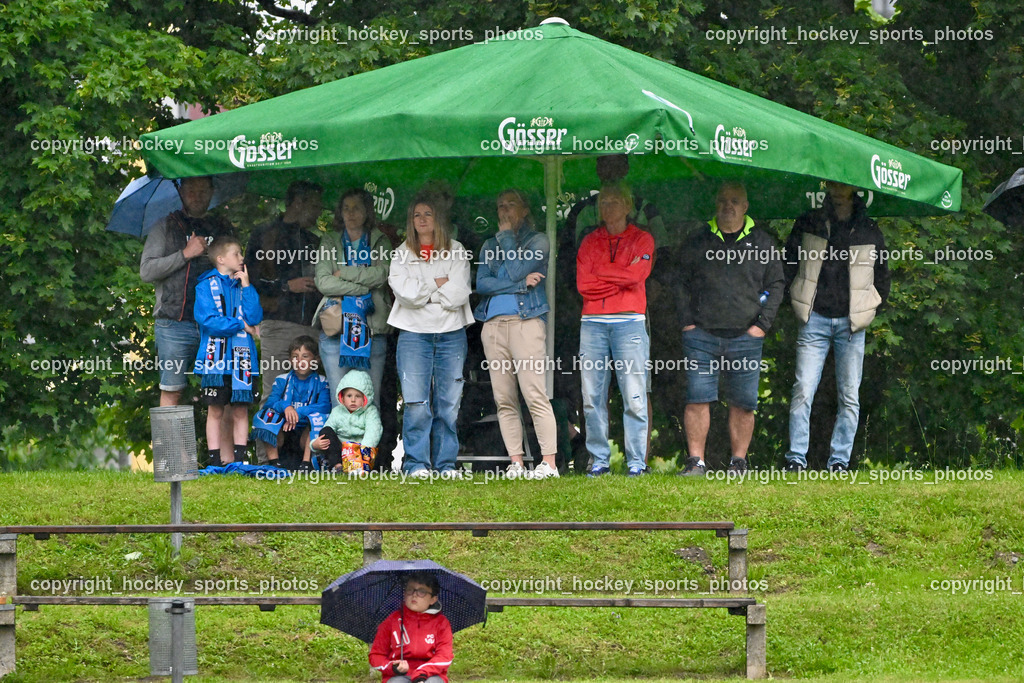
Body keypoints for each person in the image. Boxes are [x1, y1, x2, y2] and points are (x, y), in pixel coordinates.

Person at [676, 181, 784, 476]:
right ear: (716, 204)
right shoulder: (698, 241)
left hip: (746, 336)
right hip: (701, 336)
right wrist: (687, 322)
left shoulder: (763, 243)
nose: (728, 206)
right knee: (697, 399)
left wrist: (762, 326)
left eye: (735, 201)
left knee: (744, 403)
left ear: (745, 206)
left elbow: (776, 285)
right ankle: (696, 462)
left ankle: (739, 462)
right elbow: (679, 282)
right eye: (723, 200)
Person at [783, 181, 890, 472]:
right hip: (814, 317)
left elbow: (882, 278)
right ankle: (795, 458)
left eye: (843, 192)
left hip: (852, 323)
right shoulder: (809, 222)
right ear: (828, 192)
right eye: (834, 191)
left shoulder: (870, 229)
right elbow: (788, 263)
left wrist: (869, 309)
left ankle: (839, 461)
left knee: (850, 395)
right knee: (803, 389)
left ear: (853, 193)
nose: (838, 196)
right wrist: (796, 297)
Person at [388, 191, 474, 479]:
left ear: (438, 218)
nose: (422, 219)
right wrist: (437, 284)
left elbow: (459, 294)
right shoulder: (401, 253)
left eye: (428, 214)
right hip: (413, 335)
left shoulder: (457, 250)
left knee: (448, 404)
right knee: (416, 403)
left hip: (451, 333)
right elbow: (406, 295)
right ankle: (416, 464)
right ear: (410, 221)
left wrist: (423, 288)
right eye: (417, 215)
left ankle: (446, 464)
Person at [474, 189, 559, 480]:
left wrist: (509, 240)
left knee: (534, 393)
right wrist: (521, 285)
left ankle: (549, 463)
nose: (504, 210)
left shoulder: (539, 241)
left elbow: (514, 268)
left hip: (526, 322)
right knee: (504, 398)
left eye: (511, 204)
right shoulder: (488, 244)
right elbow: (482, 284)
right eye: (500, 205)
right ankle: (517, 463)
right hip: (493, 325)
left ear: (525, 209)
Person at [576, 182, 654, 477]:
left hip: (629, 321)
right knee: (592, 396)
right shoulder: (589, 241)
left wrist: (602, 272)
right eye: (603, 202)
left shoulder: (643, 239)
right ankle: (599, 460)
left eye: (613, 201)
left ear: (627, 206)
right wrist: (622, 275)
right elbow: (584, 285)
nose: (607, 206)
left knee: (634, 394)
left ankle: (636, 462)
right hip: (593, 322)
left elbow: (639, 275)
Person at [140, 176, 234, 407]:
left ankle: (223, 446)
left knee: (221, 395)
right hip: (174, 323)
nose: (197, 195)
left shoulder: (223, 228)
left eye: (203, 190)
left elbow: (237, 270)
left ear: (212, 192)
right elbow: (147, 271)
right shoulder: (165, 225)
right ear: (181, 191)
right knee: (172, 391)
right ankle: (169, 445)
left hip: (216, 324)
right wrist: (185, 254)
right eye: (191, 189)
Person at [314, 189, 392, 409]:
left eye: (356, 207)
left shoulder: (379, 239)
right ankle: (344, 446)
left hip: (372, 328)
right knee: (339, 404)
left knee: (369, 403)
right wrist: (361, 286)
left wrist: (345, 272)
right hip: (335, 329)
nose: (350, 213)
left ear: (367, 211)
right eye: (346, 208)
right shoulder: (330, 239)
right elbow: (324, 282)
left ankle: (366, 446)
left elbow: (382, 275)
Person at [246, 181, 323, 398]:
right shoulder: (264, 233)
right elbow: (249, 281)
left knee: (311, 398)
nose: (319, 212)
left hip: (312, 327)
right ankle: (268, 433)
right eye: (315, 206)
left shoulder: (315, 241)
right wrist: (287, 286)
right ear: (298, 203)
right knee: (273, 396)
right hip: (277, 324)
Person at [193, 236, 263, 466]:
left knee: (240, 410)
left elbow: (255, 317)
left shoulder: (243, 285)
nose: (242, 258)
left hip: (242, 360)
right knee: (215, 410)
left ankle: (240, 460)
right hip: (216, 360)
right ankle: (214, 460)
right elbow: (208, 320)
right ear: (221, 259)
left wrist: (247, 286)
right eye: (237, 253)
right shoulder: (205, 286)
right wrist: (240, 325)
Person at [250, 335, 331, 469]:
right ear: (290, 360)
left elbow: (325, 406)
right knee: (265, 415)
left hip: (306, 435)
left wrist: (298, 412)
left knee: (319, 419)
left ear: (316, 359)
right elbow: (270, 403)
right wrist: (286, 407)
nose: (300, 361)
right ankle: (274, 463)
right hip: (285, 431)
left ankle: (306, 464)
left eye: (305, 356)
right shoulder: (282, 379)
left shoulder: (322, 381)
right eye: (295, 357)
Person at [369, 572, 452, 683]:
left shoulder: (442, 623)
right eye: (410, 589)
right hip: (399, 676)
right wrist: (393, 667)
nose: (414, 595)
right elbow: (376, 655)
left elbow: (444, 656)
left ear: (433, 599)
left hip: (430, 675)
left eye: (422, 591)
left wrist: (422, 673)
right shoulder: (391, 621)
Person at [311, 369, 382, 473]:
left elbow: (373, 432)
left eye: (357, 396)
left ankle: (364, 467)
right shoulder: (337, 411)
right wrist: (314, 445)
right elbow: (327, 429)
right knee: (326, 431)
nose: (353, 400)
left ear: (365, 398)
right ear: (342, 398)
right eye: (349, 396)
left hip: (362, 450)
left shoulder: (370, 411)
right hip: (342, 451)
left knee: (378, 438)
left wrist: (361, 453)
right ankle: (338, 466)